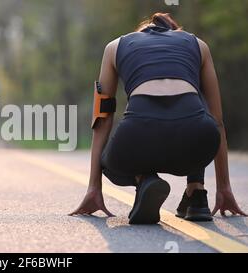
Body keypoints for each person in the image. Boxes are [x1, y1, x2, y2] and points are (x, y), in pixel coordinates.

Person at [69, 13, 247, 224]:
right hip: (198, 140)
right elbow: (217, 121)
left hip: (139, 133)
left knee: (107, 161)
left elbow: (102, 119)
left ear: (140, 32)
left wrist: (93, 187)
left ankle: (145, 180)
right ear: (175, 33)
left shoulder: (115, 47)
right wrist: (224, 188)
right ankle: (197, 194)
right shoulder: (198, 45)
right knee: (194, 110)